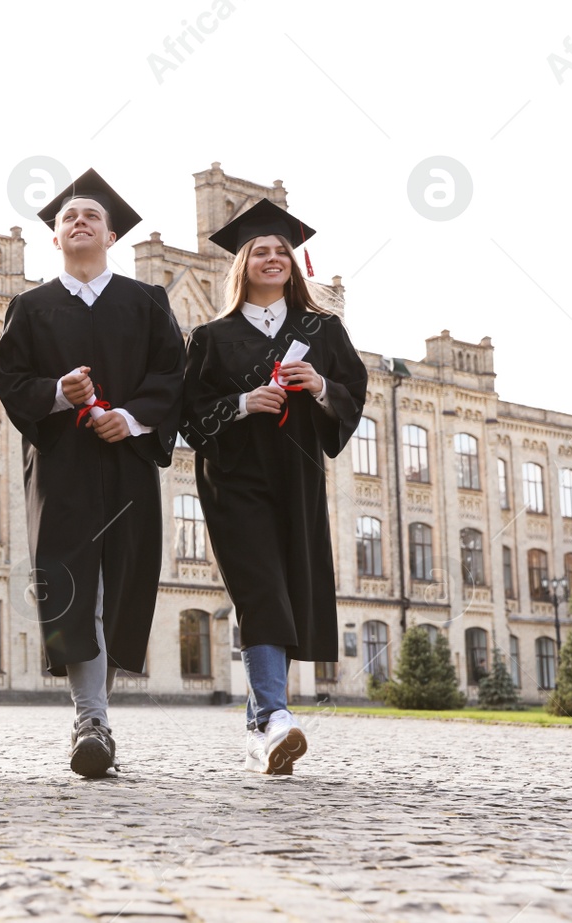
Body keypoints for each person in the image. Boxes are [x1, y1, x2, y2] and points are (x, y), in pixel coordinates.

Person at [0, 169, 185, 779]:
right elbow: (11, 381)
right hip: (63, 468)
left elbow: (174, 378)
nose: (79, 221)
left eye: (91, 216)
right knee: (76, 590)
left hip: (126, 463)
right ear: (54, 238)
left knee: (118, 586)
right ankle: (90, 717)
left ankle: (95, 712)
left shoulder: (146, 303)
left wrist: (129, 418)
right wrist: (56, 393)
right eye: (68, 216)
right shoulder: (31, 307)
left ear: (111, 234)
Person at [178, 199, 366, 775]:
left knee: (289, 589)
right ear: (242, 265)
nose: (272, 257)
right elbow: (189, 415)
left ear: (294, 263)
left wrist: (321, 386)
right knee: (260, 590)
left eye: (282, 250)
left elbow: (352, 397)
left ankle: (261, 726)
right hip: (235, 480)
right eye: (260, 250)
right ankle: (279, 715)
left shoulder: (321, 330)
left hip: (297, 475)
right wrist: (241, 403)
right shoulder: (212, 337)